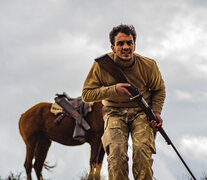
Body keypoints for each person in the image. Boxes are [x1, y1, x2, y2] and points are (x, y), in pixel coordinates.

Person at [82, 24, 166, 180]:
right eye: (120, 43)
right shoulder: (101, 66)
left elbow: (159, 89)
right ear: (113, 47)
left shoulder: (149, 65)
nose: (125, 47)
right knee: (116, 156)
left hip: (142, 112)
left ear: (134, 45)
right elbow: (87, 94)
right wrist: (114, 89)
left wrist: (156, 112)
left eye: (129, 42)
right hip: (114, 112)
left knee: (142, 153)